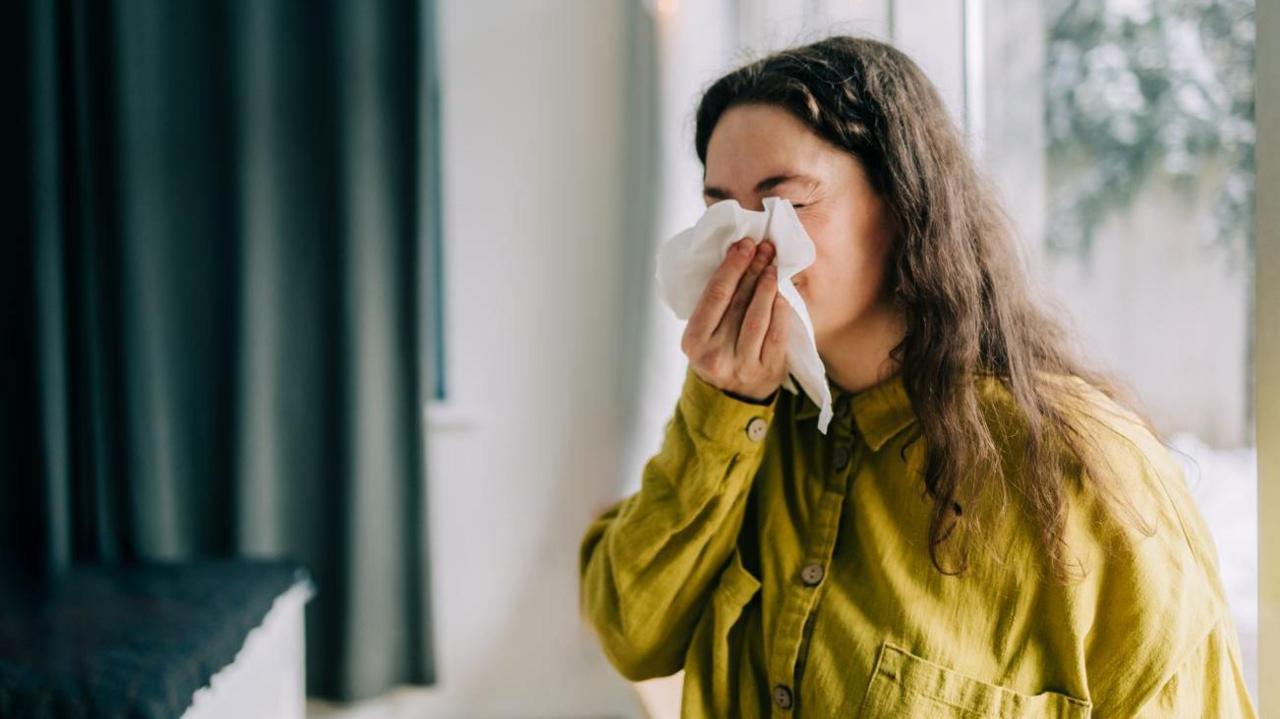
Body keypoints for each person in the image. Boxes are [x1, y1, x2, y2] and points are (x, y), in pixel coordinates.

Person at [578, 35, 1256, 717]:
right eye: (720, 207)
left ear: (901, 206)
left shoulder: (1085, 470)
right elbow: (632, 630)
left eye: (784, 202)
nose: (744, 243)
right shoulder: (748, 429)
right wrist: (724, 405)